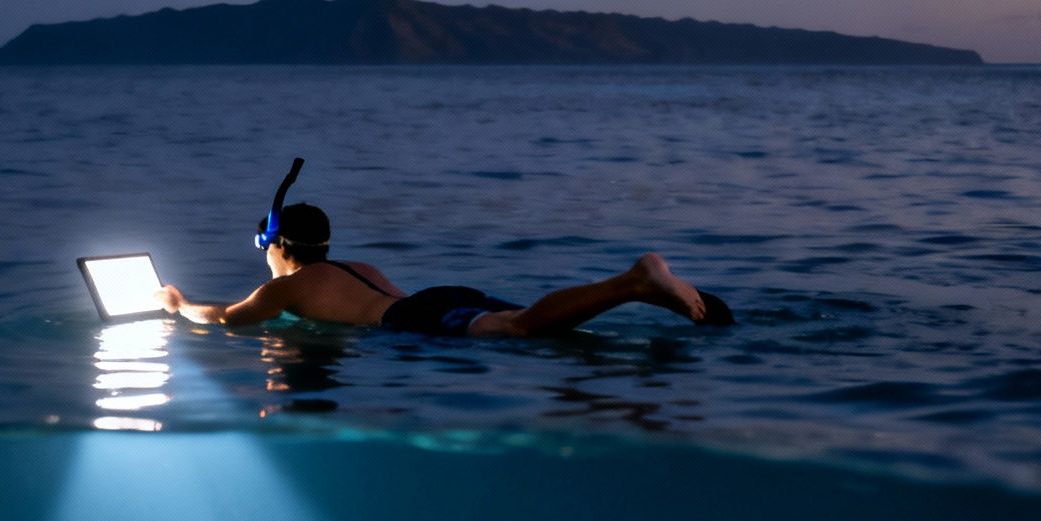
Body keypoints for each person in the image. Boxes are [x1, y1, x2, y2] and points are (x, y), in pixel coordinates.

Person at [154, 202, 733, 337]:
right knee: (531, 322)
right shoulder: (358, 266)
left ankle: (634, 282)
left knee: (523, 330)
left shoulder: (288, 288)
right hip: (439, 297)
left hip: (418, 320)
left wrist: (180, 307)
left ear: (277, 245)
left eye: (265, 244)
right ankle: (655, 293)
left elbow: (229, 320)